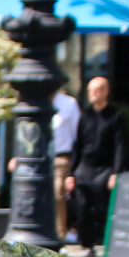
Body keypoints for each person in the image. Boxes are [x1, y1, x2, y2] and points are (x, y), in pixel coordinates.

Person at [68, 75, 125, 248]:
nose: (92, 94)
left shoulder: (115, 116)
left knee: (102, 205)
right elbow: (77, 144)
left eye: (96, 90)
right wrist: (71, 173)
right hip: (85, 166)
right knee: (82, 205)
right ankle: (86, 244)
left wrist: (116, 172)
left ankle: (104, 240)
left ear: (106, 92)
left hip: (104, 167)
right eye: (90, 91)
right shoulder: (85, 115)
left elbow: (119, 146)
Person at [52, 86, 80, 241]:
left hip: (61, 158)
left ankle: (60, 234)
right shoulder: (36, 100)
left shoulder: (69, 103)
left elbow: (77, 135)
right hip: (39, 157)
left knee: (58, 194)